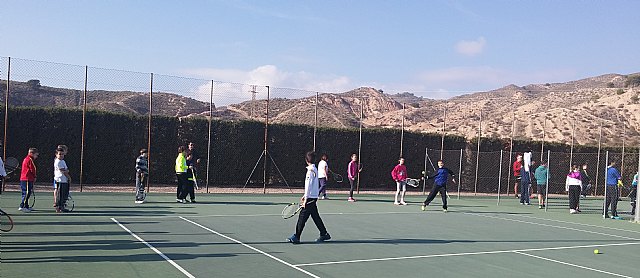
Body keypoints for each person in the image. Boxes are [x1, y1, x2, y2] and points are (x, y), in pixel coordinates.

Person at [287, 151, 331, 244]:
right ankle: (324, 233)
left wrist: (306, 198)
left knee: (302, 217)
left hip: (310, 198)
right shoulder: (315, 170)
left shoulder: (310, 171)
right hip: (313, 197)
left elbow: (308, 185)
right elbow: (313, 185)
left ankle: (297, 236)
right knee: (315, 216)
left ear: (306, 160)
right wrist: (305, 196)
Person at [19, 148, 39, 212]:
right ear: (31, 153)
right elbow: (33, 169)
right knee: (26, 193)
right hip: (27, 178)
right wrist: (35, 176)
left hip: (26, 178)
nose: (36, 156)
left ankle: (26, 206)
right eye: (36, 155)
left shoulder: (27, 159)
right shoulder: (29, 159)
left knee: (27, 192)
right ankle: (22, 206)